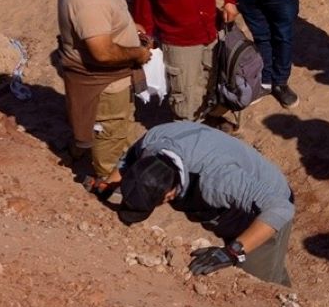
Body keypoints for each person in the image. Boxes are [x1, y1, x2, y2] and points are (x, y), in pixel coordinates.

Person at [114, 120, 297, 286]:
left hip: (263, 210)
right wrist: (104, 189)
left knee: (260, 283)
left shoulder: (216, 180)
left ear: (169, 194)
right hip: (230, 203)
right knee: (270, 267)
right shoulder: (152, 143)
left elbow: (280, 208)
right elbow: (126, 163)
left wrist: (232, 252)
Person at [55, 0, 152, 194]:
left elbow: (110, 18)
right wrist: (137, 53)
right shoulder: (89, 1)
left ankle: (89, 152)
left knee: (114, 128)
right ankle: (110, 183)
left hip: (109, 79)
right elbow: (102, 52)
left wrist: (132, 28)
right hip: (107, 85)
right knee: (110, 133)